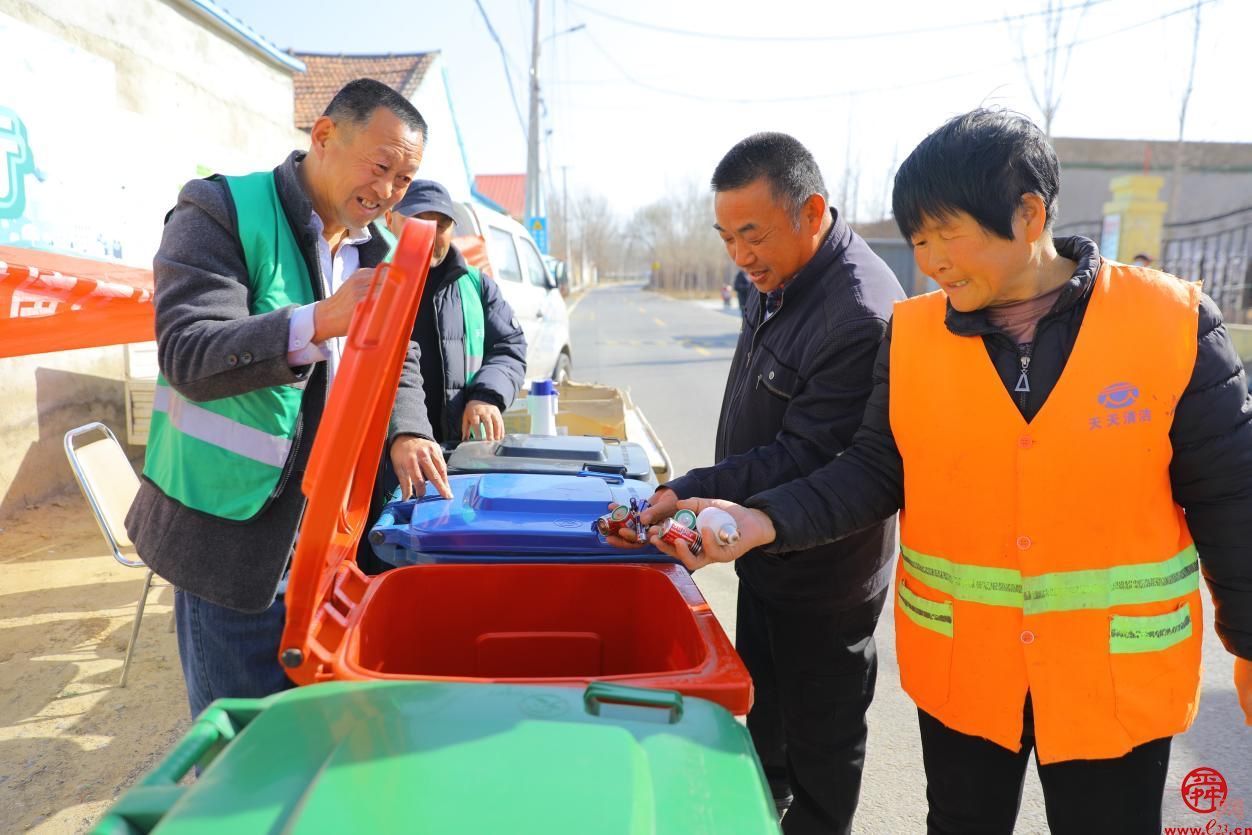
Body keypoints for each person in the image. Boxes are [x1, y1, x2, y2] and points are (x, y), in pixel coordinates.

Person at [655, 109, 1252, 834]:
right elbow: (871, 469)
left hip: (1114, 677)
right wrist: (763, 519)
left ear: (1029, 215)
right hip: (968, 676)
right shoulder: (913, 336)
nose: (931, 259)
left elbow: (1233, 504)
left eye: (947, 233)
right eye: (918, 239)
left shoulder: (1169, 324)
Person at [126, 78, 452, 719]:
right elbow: (189, 353)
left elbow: (402, 357)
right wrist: (321, 320)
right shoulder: (219, 210)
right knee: (246, 742)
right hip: (233, 541)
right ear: (324, 136)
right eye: (381, 167)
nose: (389, 192)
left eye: (404, 180)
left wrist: (408, 429)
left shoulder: (379, 250)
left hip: (329, 541)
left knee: (311, 732)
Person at [611, 132, 905, 834]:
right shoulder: (777, 279)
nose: (740, 256)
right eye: (726, 238)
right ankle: (765, 806)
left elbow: (799, 458)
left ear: (811, 212)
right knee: (765, 717)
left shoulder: (855, 314)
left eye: (752, 234)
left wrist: (688, 489)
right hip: (762, 550)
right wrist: (698, 499)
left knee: (822, 743)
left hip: (824, 573)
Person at [384, 179, 526, 446]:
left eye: (441, 225)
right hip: (389, 453)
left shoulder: (477, 286)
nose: (430, 234)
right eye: (418, 221)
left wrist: (486, 396)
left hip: (458, 450)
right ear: (390, 220)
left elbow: (509, 346)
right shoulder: (370, 282)